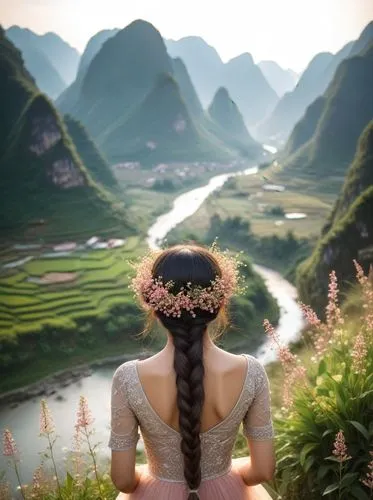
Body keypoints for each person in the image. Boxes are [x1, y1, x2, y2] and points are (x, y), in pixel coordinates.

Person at [108, 244, 276, 499]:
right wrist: (228, 473)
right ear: (220, 304)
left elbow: (124, 481)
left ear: (152, 305)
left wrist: (155, 478)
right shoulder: (251, 373)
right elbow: (263, 470)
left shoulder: (128, 378)